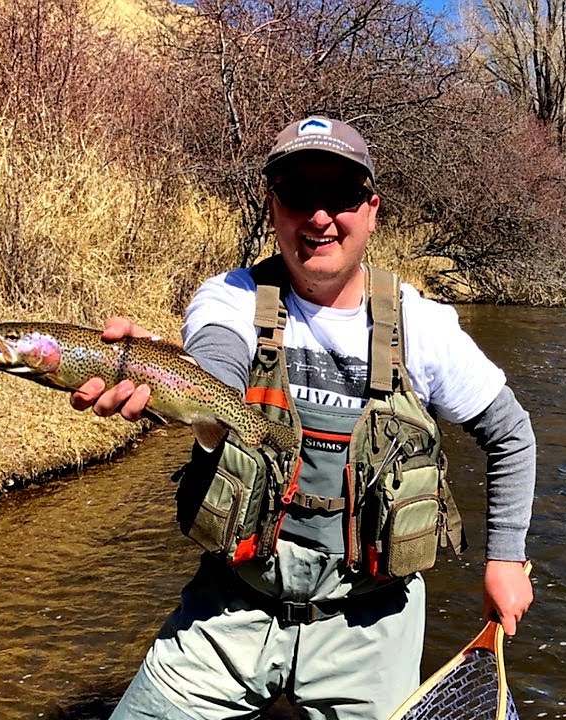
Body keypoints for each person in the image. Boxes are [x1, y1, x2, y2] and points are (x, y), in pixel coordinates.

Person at [69, 115, 536, 720]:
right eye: (297, 194)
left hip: (370, 621)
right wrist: (153, 371)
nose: (319, 217)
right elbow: (214, 367)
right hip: (232, 606)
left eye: (339, 195)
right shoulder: (232, 298)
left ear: (372, 210)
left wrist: (505, 558)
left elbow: (511, 435)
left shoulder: (423, 326)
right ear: (273, 209)